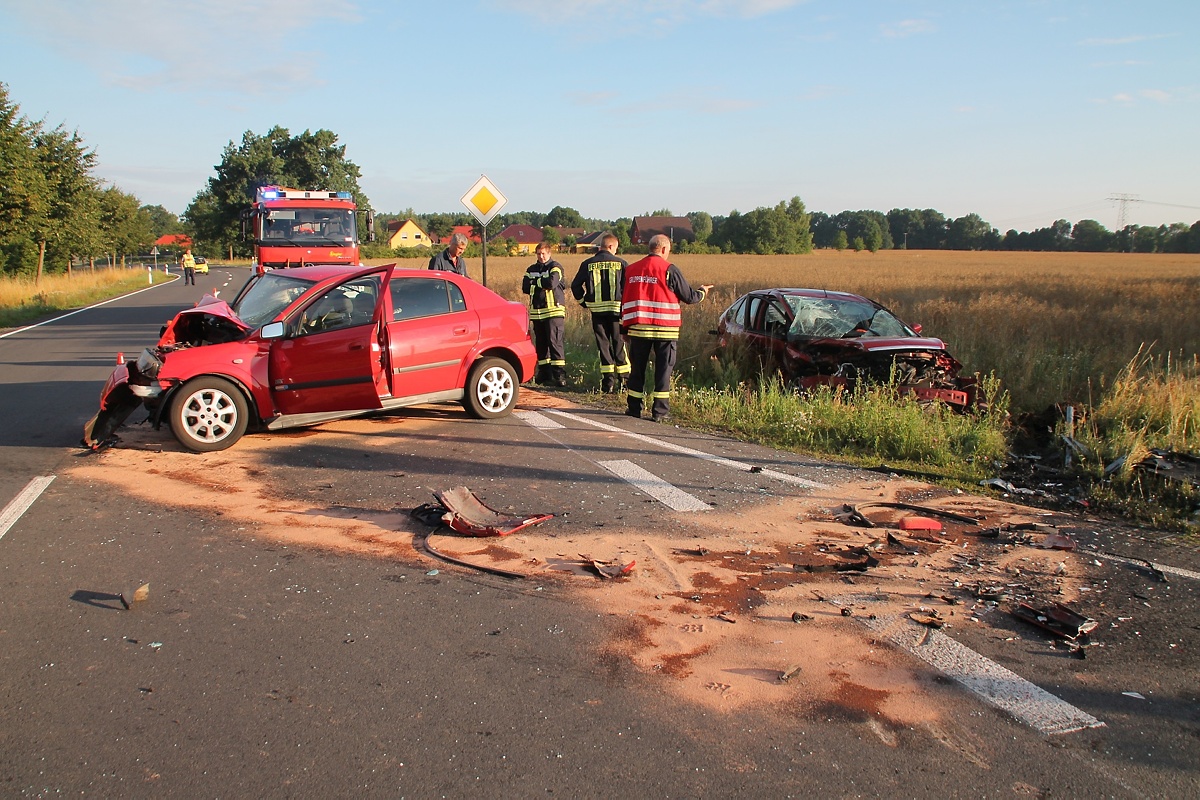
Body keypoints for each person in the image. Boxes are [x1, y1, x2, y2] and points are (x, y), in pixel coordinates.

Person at [620, 234, 713, 422]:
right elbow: (689, 297)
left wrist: (624, 329)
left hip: (638, 328)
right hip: (665, 329)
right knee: (663, 370)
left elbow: (624, 299)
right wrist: (703, 291)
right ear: (663, 249)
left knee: (637, 369)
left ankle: (634, 408)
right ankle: (659, 412)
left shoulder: (631, 270)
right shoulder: (669, 269)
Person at [571, 232, 629, 392]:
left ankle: (607, 383)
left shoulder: (587, 263)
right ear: (611, 246)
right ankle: (624, 382)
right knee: (619, 344)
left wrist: (584, 302)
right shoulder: (622, 263)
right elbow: (629, 288)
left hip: (597, 312)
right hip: (617, 312)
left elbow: (575, 286)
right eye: (615, 248)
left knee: (603, 346)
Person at [522, 242, 567, 386]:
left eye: (544, 254)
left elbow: (551, 283)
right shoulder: (531, 269)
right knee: (541, 344)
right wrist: (541, 282)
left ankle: (559, 375)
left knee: (555, 342)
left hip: (553, 311)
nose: (541, 257)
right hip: (537, 312)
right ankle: (544, 373)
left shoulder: (556, 267)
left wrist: (535, 282)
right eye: (538, 254)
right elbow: (525, 287)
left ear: (549, 253)